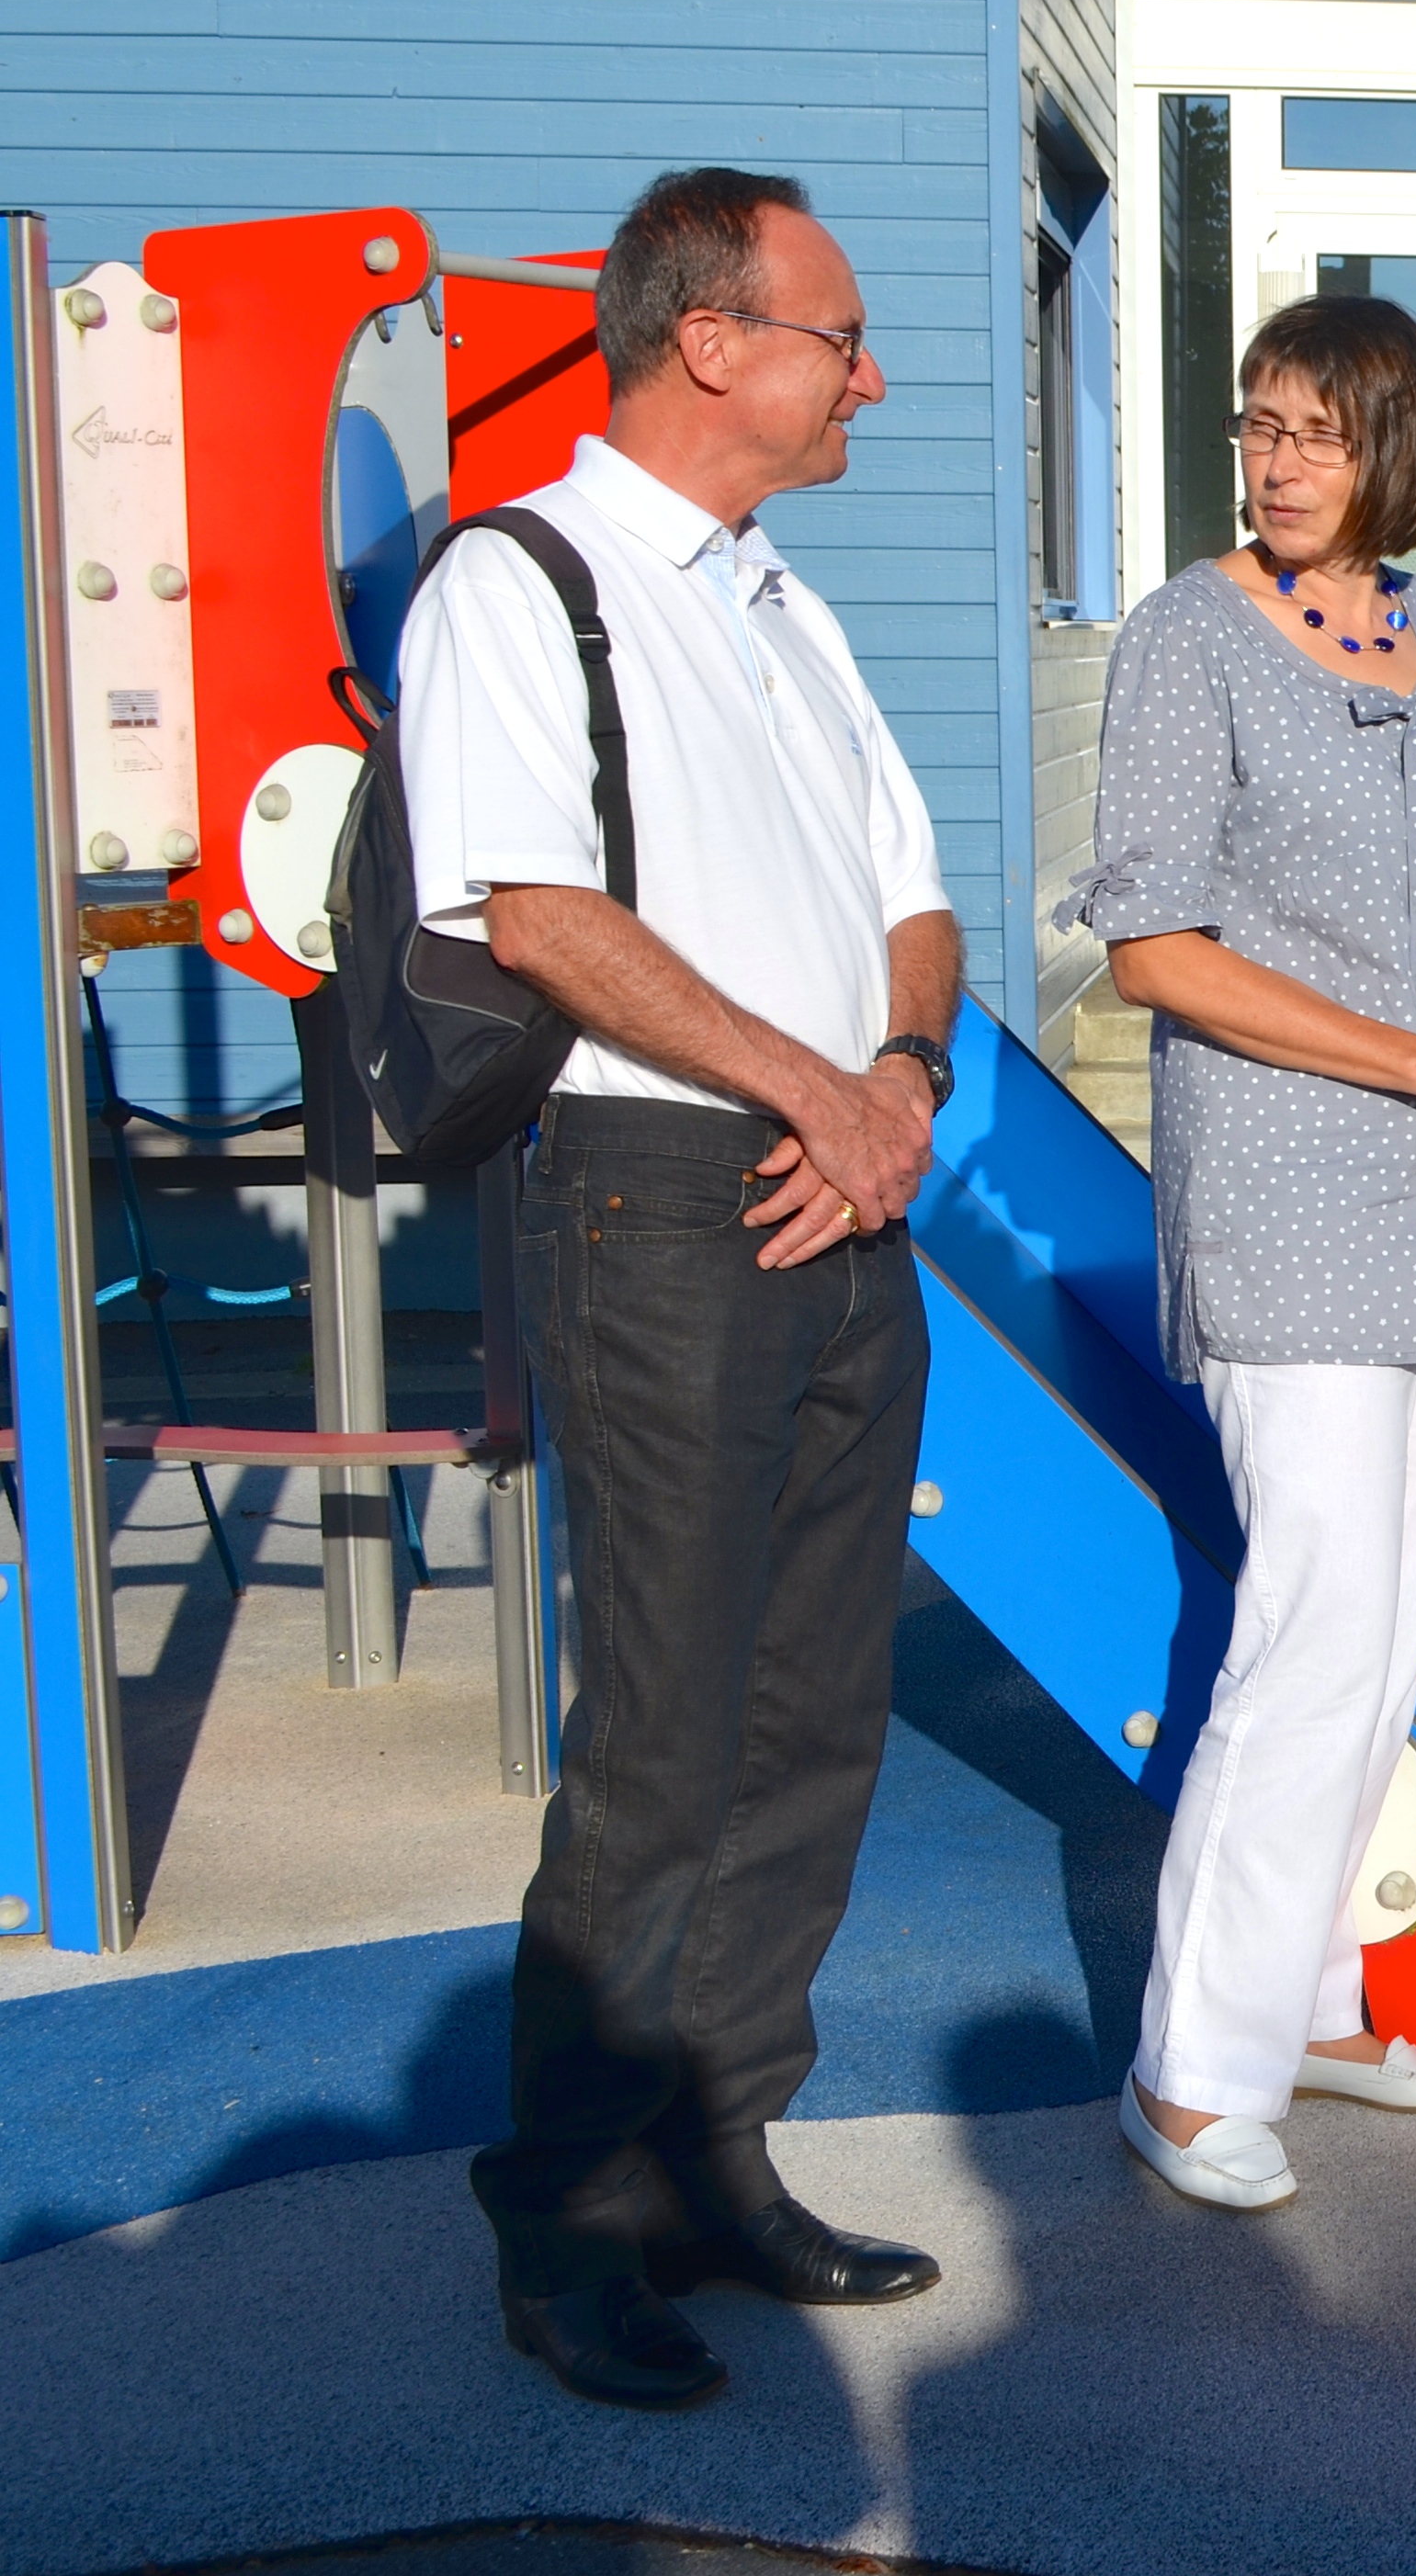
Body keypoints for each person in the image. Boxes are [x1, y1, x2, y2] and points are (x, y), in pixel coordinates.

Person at [404, 167, 963, 2412]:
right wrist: (815, 1094)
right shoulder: (520, 585)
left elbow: (914, 897)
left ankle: (724, 2150)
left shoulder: (781, 602)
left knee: (814, 1721)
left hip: (848, 1194)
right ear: (709, 340)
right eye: (840, 334)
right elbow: (539, 915)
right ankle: (571, 2220)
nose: (871, 374)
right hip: (659, 1203)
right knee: (659, 1740)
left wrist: (897, 1080)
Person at [1067, 294, 1416, 2211]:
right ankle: (1195, 2072)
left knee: (1383, 1642)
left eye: (1315, 431)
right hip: (1287, 1183)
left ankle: (1320, 2005)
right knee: (1304, 1639)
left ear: (1396, 445)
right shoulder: (1187, 639)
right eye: (1259, 427)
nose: (1280, 464)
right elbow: (1154, 944)